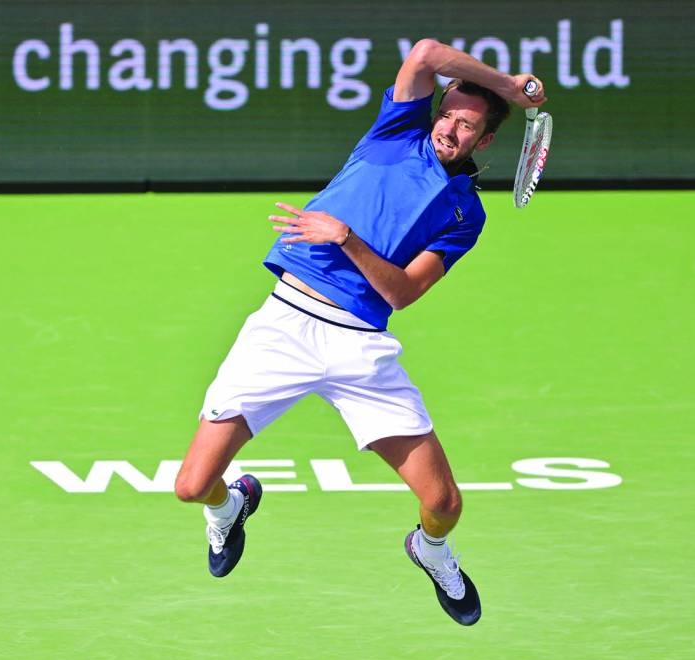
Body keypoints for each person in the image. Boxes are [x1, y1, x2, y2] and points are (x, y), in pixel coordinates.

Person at [174, 38, 546, 626]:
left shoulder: (465, 214)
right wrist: (507, 85)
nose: (450, 127)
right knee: (193, 486)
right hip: (283, 327)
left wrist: (345, 237)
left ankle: (430, 550)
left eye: (467, 124)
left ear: (486, 140)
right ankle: (232, 507)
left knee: (444, 503)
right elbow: (424, 53)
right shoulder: (395, 134)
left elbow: (400, 291)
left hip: (360, 346)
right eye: (447, 112)